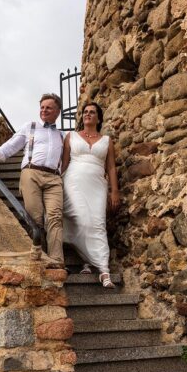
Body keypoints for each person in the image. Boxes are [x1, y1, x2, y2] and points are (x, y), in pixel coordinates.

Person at [0, 93, 66, 268]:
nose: (44, 110)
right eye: (42, 107)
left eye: (48, 107)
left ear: (57, 111)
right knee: (36, 217)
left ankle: (56, 260)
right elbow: (10, 146)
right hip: (31, 173)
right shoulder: (30, 127)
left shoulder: (62, 135)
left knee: (55, 216)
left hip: (54, 178)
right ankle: (38, 254)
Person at [61, 102, 120, 287]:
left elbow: (110, 167)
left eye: (92, 112)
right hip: (73, 181)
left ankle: (102, 270)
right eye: (85, 112)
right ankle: (93, 263)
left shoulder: (107, 140)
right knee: (82, 219)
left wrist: (114, 191)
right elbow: (63, 164)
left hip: (97, 185)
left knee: (98, 223)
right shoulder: (70, 137)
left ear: (98, 117)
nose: (88, 114)